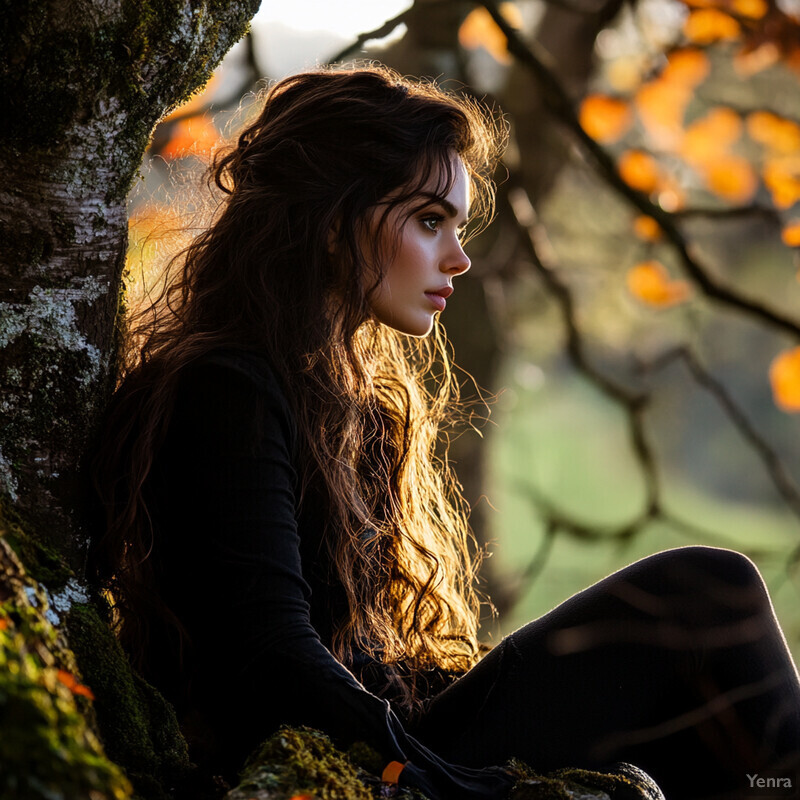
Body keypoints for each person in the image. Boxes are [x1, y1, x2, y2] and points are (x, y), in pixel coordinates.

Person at [88, 65, 800, 800]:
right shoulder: (229, 386)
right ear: (335, 221)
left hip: (385, 738)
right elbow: (273, 657)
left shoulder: (342, 401)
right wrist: (446, 778)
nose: (457, 258)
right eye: (430, 222)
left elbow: (359, 654)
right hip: (336, 757)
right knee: (706, 594)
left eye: (456, 226)